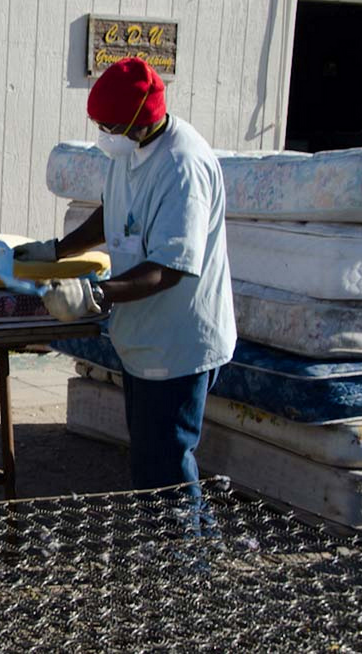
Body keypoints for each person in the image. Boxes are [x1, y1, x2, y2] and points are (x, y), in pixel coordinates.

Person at [14, 57, 236, 503]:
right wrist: (57, 250)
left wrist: (94, 295)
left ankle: (185, 563)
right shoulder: (129, 150)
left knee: (166, 463)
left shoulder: (182, 167)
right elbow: (112, 214)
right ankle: (190, 548)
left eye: (109, 125)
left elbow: (170, 267)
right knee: (154, 456)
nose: (103, 134)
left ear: (140, 119)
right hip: (143, 335)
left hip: (179, 343)